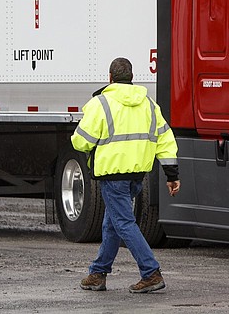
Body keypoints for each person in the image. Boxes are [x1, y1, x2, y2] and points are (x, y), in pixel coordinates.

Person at [72, 57, 180, 294]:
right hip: (136, 176)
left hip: (112, 175)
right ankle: (98, 273)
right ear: (131, 78)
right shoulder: (149, 105)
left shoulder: (100, 104)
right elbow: (165, 140)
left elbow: (81, 141)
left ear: (110, 78)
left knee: (122, 223)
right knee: (112, 223)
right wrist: (172, 175)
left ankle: (151, 272)